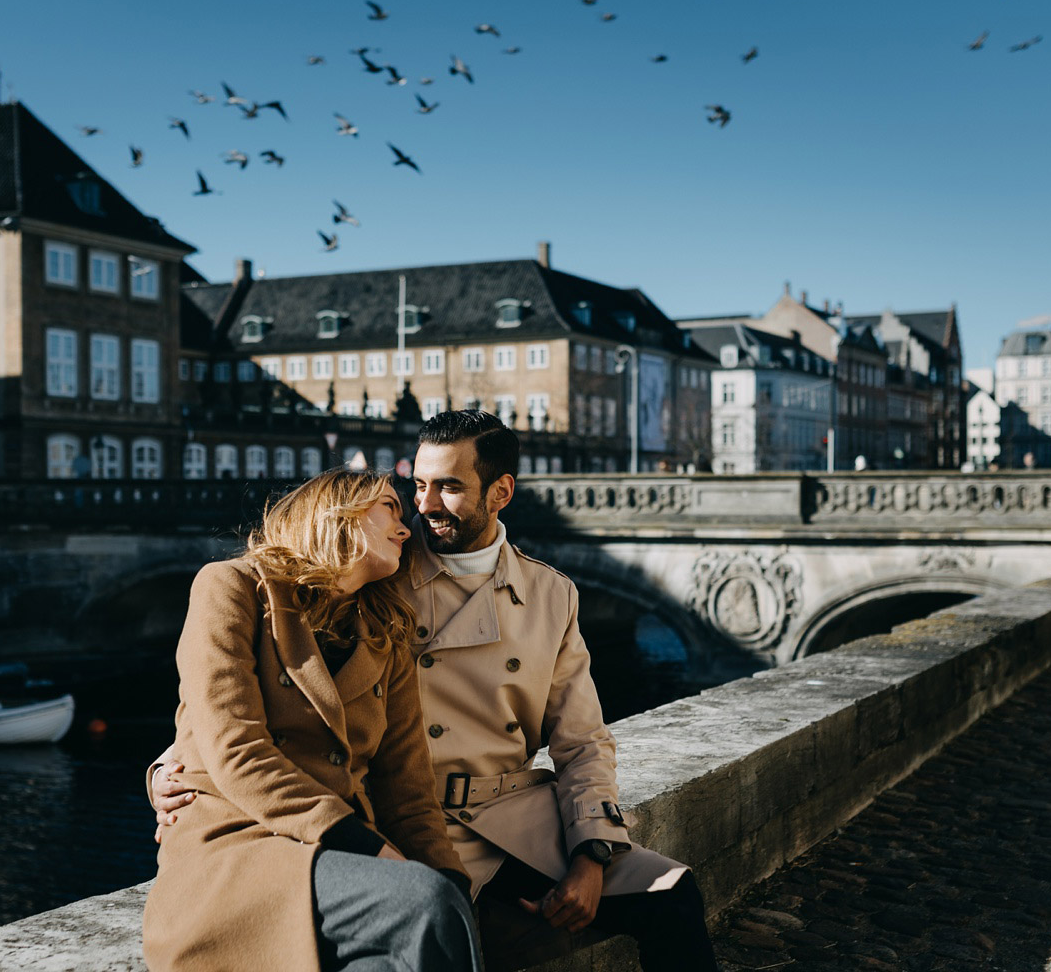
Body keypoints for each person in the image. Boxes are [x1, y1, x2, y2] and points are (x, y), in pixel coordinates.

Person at [157, 412, 719, 971]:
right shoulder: (379, 578)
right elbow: (251, 704)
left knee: (673, 897)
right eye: (416, 486)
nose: (422, 508)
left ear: (500, 492)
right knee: (424, 918)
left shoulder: (550, 594)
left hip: (506, 814)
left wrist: (592, 850)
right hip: (385, 820)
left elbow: (583, 740)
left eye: (448, 487)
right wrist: (171, 764)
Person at [141, 468, 481, 972]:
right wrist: (372, 851)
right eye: (389, 506)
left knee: (427, 921)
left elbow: (407, 795)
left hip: (341, 869)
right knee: (426, 905)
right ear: (334, 512)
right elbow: (237, 752)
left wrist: (451, 882)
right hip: (237, 852)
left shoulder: (387, 641)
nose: (406, 526)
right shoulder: (231, 588)